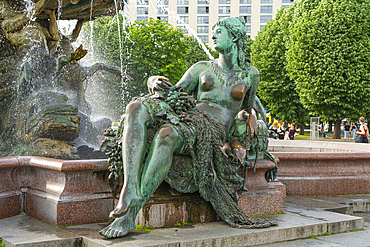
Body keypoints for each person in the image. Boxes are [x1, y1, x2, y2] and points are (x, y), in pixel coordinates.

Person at [99, 17, 277, 239]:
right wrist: (152, 81)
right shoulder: (201, 68)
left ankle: (130, 213)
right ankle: (130, 187)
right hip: (188, 116)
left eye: (219, 31)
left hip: (212, 130)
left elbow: (246, 110)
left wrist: (239, 139)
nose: (213, 35)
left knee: (166, 135)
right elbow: (173, 93)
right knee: (135, 107)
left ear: (234, 38)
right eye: (213, 31)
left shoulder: (251, 74)